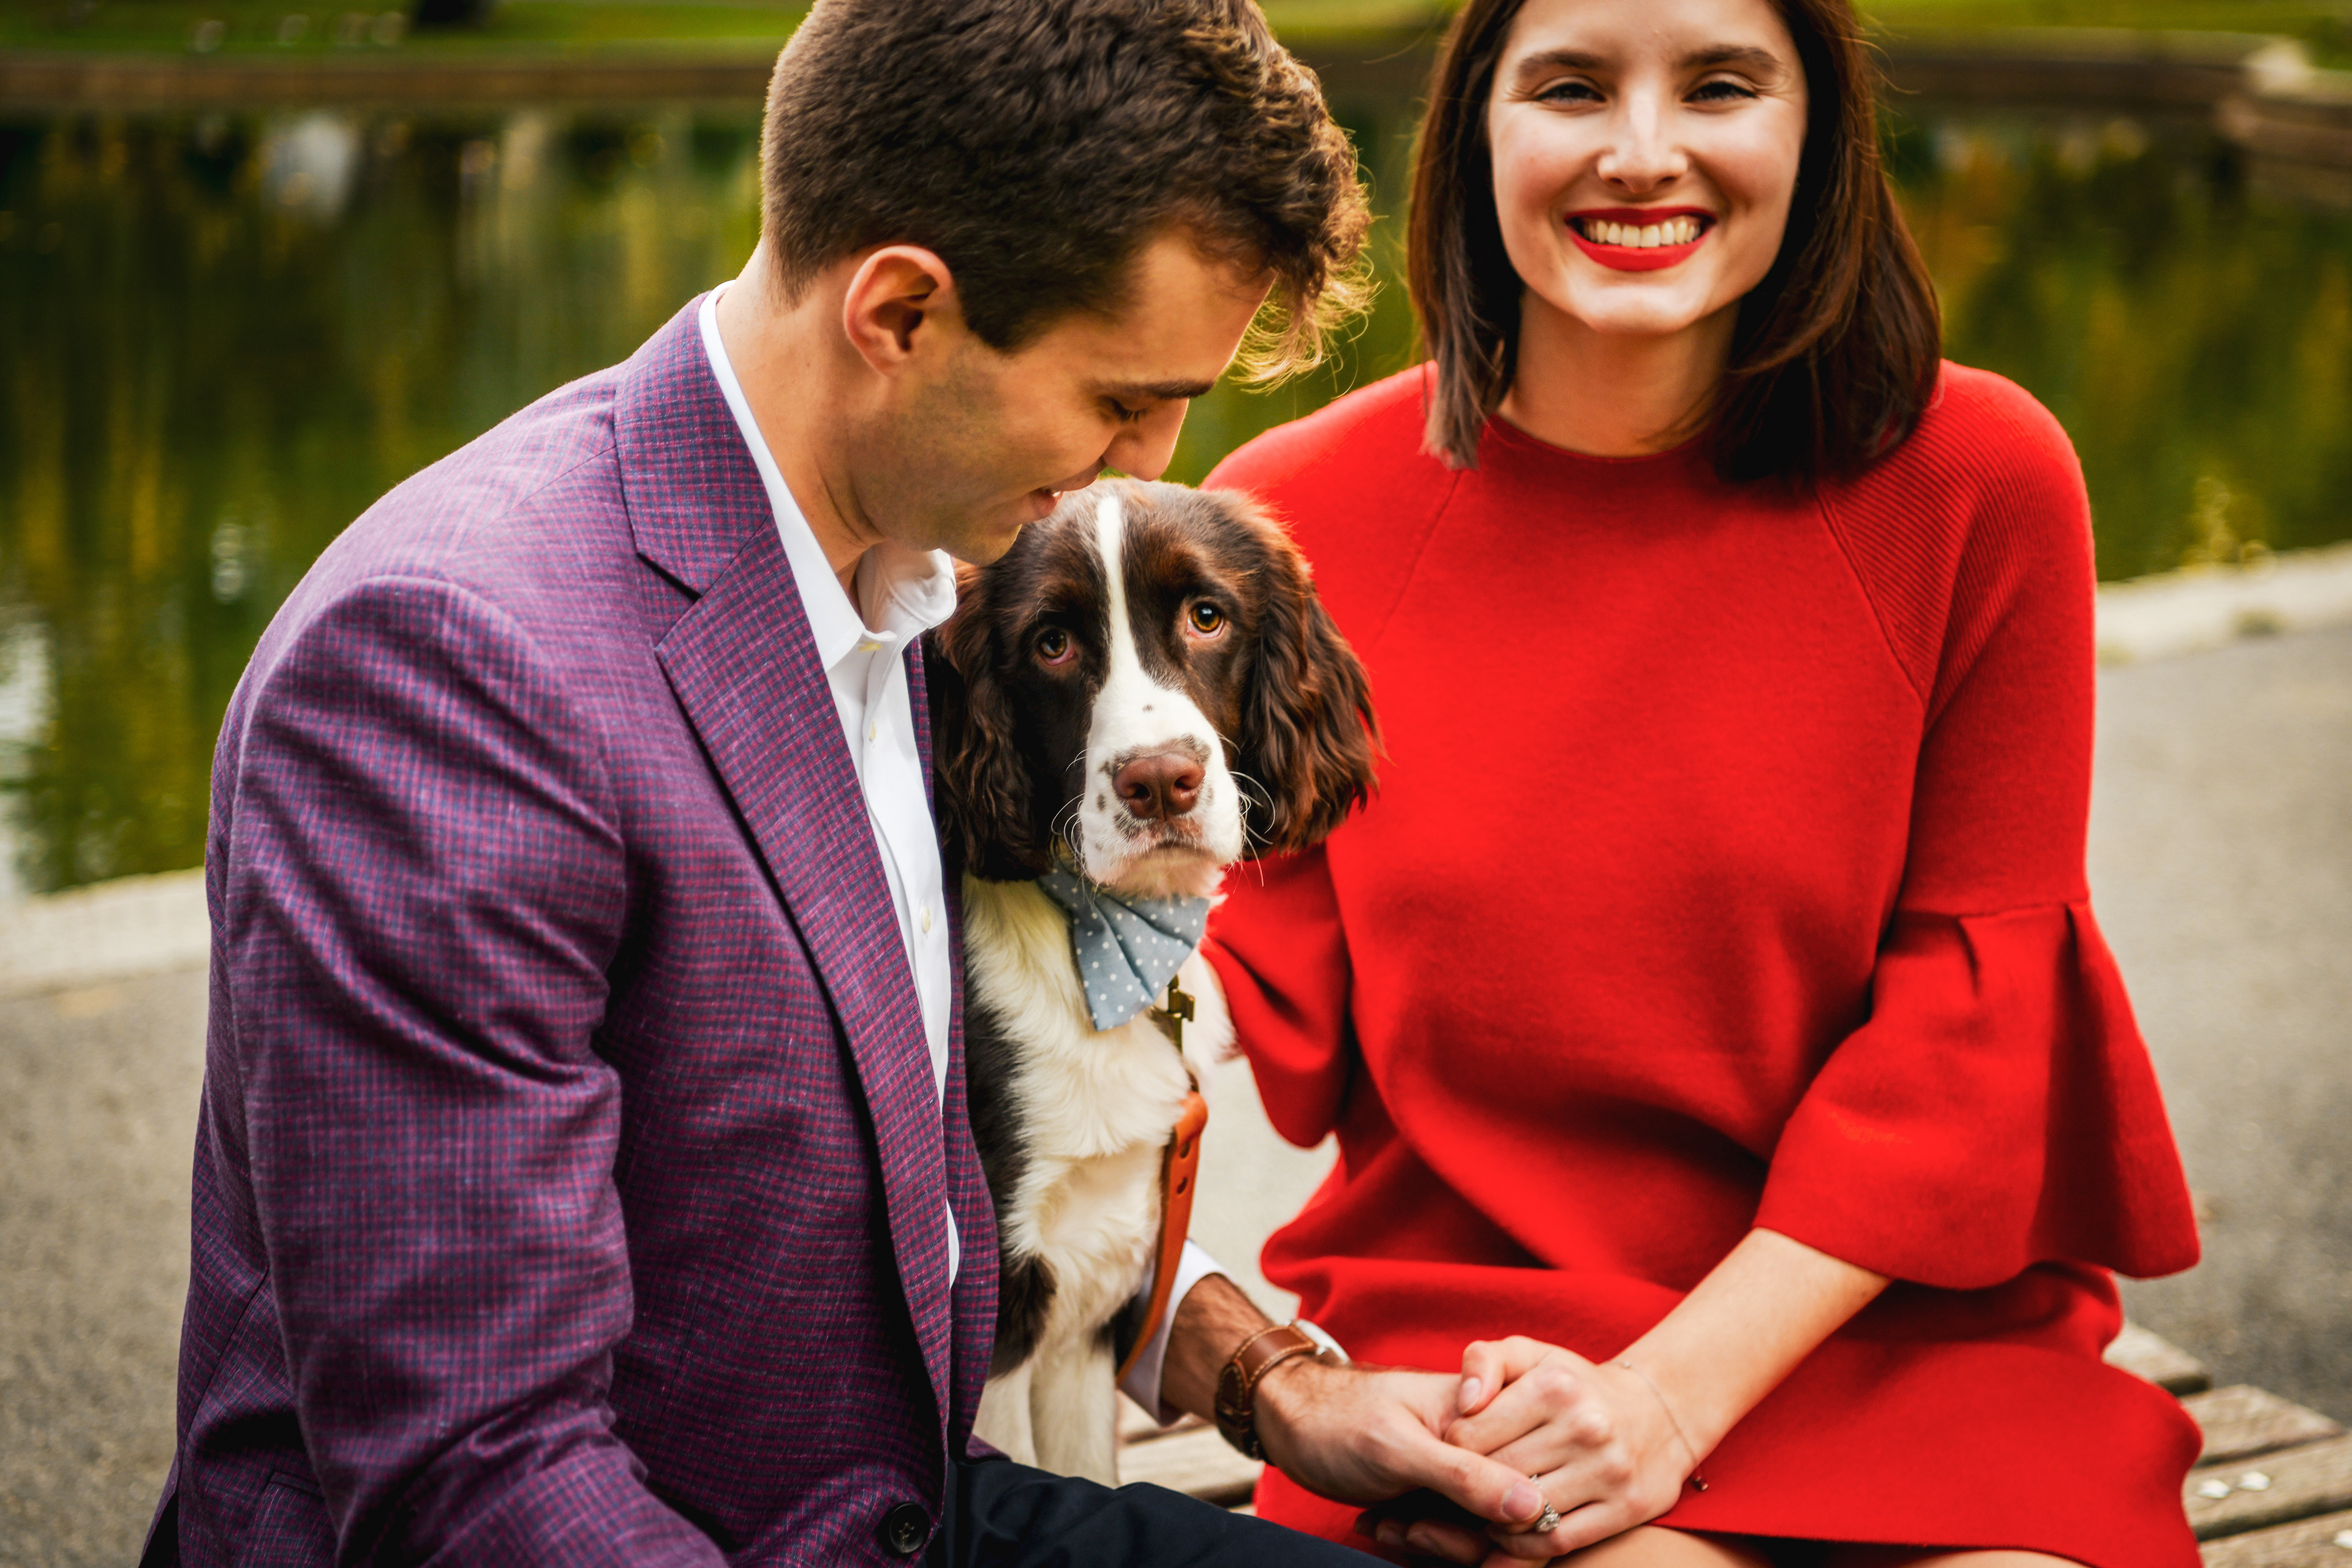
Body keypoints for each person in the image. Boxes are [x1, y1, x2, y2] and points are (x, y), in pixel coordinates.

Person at [140, 2, 1560, 1564]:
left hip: (901, 1497)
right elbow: (478, 1477)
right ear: (899, 314)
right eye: (1118, 399)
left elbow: (936, 1215)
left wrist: (1267, 1375)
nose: (1155, 457)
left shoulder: (926, 596)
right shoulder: (451, 670)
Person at [1199, 0, 2204, 1564]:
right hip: (1483, 1367)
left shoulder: (1983, 483)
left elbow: (1972, 1026)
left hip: (1893, 1344)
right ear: (1477, 128)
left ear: (1819, 131)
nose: (1642, 152)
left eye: (1721, 84)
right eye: (1573, 87)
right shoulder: (1281, 521)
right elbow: (1212, 979)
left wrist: (1670, 1397)